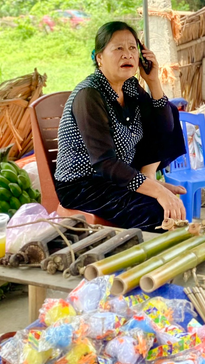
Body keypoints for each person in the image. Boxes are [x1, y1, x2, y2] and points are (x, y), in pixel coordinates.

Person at [54, 21, 187, 230]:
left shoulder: (130, 87)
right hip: (83, 185)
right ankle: (144, 260)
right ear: (99, 58)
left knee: (167, 110)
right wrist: (157, 190)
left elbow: (164, 127)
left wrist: (153, 82)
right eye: (118, 48)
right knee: (159, 212)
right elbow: (105, 163)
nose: (128, 55)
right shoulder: (90, 95)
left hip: (114, 179)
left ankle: (148, 178)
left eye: (133, 48)